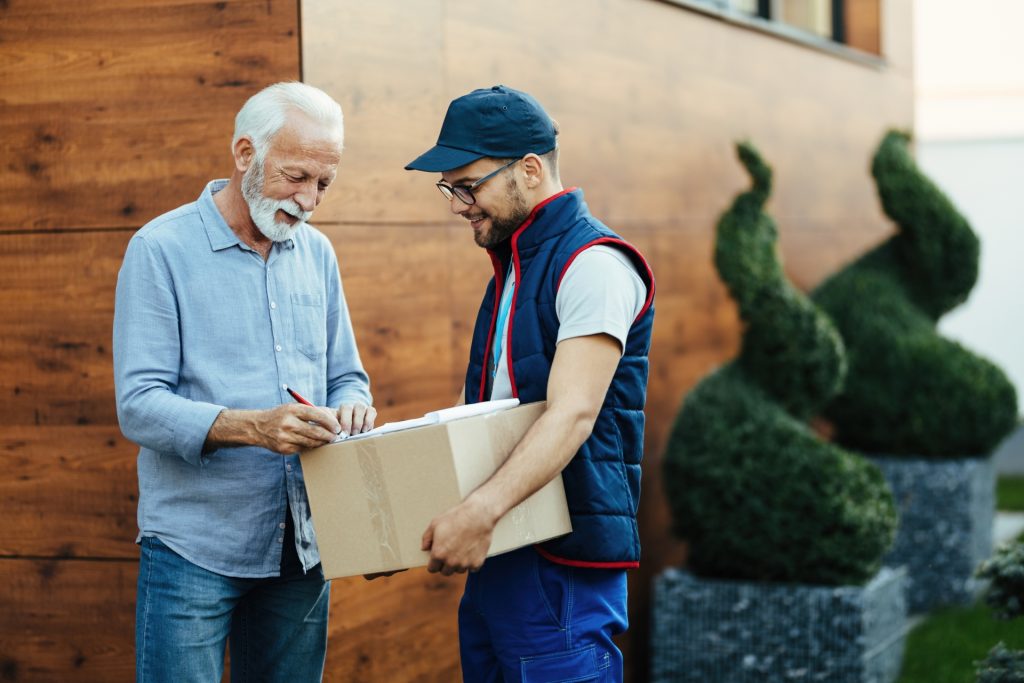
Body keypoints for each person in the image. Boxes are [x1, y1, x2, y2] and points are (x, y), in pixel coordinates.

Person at [113, 81, 375, 683]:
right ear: (244, 154)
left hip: (303, 545)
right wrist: (253, 426)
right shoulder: (159, 249)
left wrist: (354, 408)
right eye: (296, 177)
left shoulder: (319, 253)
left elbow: (347, 377)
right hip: (192, 551)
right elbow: (139, 406)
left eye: (324, 184)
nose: (309, 200)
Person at [405, 85, 655, 682]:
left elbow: (572, 414)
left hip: (560, 565)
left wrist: (480, 513)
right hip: (503, 550)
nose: (458, 204)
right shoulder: (514, 267)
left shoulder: (592, 263)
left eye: (469, 185)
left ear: (530, 169)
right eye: (451, 188)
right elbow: (496, 419)